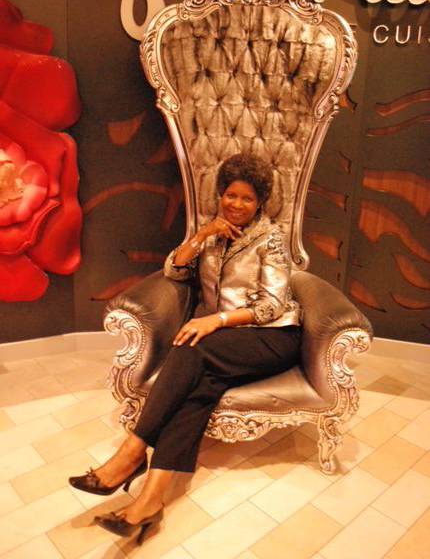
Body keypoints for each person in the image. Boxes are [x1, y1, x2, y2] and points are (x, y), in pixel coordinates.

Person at [69, 152, 302, 543]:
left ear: (260, 201)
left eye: (247, 198)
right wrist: (200, 236)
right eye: (231, 195)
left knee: (192, 345)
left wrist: (216, 320)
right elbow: (174, 271)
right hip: (222, 342)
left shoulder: (271, 240)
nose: (237, 205)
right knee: (199, 391)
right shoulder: (212, 232)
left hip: (272, 337)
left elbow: (272, 306)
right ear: (220, 195)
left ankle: (131, 452)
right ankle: (150, 502)